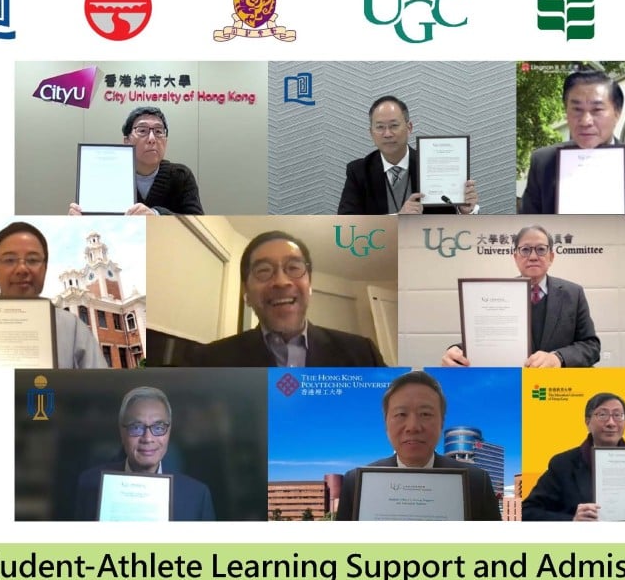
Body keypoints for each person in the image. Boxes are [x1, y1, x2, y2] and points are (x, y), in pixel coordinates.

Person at [183, 231, 386, 367]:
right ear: (246, 292)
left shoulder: (363, 354)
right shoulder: (206, 362)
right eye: (264, 271)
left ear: (309, 284)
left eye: (294, 268)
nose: (281, 282)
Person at [0, 222, 107, 369]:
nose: (22, 269)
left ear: (45, 268)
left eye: (33, 260)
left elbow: (100, 386)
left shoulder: (72, 328)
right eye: (9, 260)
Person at [336, 371, 501, 521]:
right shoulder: (356, 482)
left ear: (442, 423)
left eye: (425, 414)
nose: (413, 427)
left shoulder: (477, 482)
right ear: (386, 423)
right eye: (401, 414)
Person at [442, 225, 600, 367]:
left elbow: (591, 346)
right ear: (515, 257)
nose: (533, 256)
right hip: (514, 381)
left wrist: (558, 358)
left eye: (541, 249)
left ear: (551, 257)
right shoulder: (497, 295)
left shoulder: (573, 293)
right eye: (525, 250)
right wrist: (456, 352)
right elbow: (484, 338)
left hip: (559, 385)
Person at [519, 69, 625, 214]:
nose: (586, 121)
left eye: (597, 110)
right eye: (577, 109)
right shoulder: (543, 162)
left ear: (617, 113)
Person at [523, 393, 625, 521]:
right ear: (587, 422)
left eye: (618, 415)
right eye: (602, 415)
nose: (611, 423)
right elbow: (527, 511)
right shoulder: (563, 464)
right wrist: (572, 520)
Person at [74, 386, 216, 521]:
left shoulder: (197, 495)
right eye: (136, 427)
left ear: (169, 431)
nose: (147, 438)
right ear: (122, 432)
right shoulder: (89, 484)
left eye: (159, 427)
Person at [338, 95, 479, 215]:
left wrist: (464, 210)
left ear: (409, 127)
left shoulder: (433, 165)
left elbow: (450, 223)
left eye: (394, 125)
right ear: (371, 133)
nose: (387, 134)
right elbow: (347, 224)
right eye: (380, 127)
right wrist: (398, 218)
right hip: (380, 240)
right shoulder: (358, 171)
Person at [68, 106, 205, 215]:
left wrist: (156, 215)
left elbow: (198, 222)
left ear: (166, 140)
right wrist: (79, 220)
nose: (152, 139)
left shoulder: (181, 176)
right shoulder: (106, 175)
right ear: (127, 141)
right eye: (142, 131)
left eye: (158, 131)